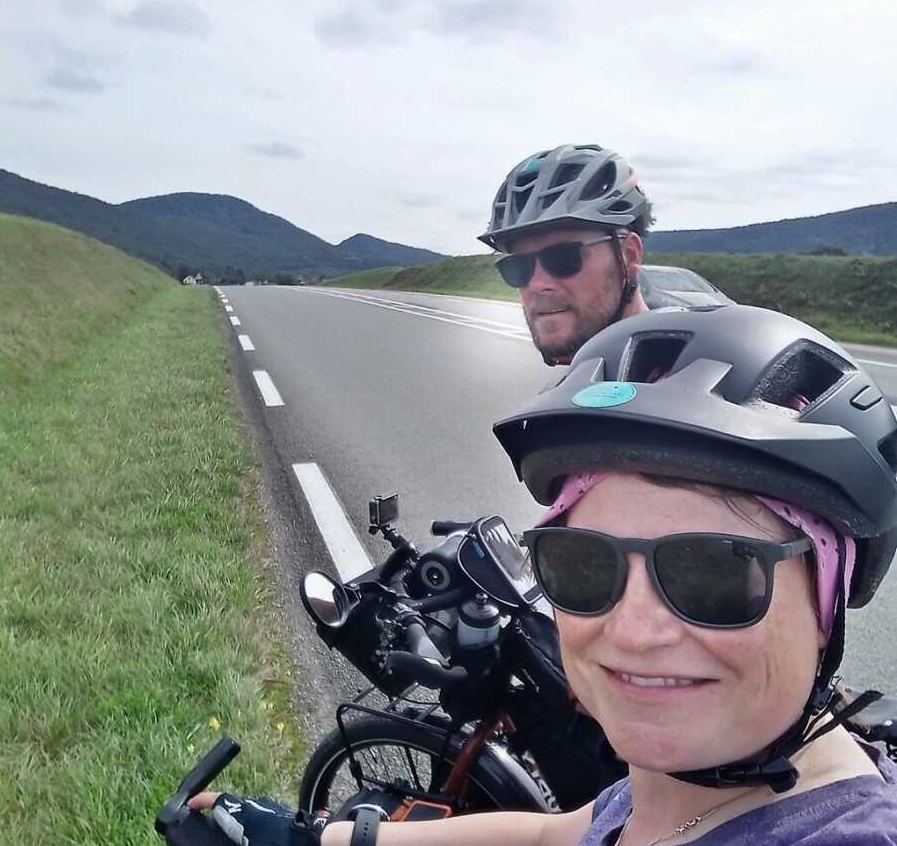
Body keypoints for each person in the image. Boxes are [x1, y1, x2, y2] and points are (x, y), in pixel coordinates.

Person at [188, 305, 897, 844]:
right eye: (584, 563)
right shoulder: (679, 788)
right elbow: (557, 832)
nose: (634, 631)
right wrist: (322, 837)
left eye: (714, 572)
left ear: (829, 600)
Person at [479, 143, 652, 366]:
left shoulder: (687, 372)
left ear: (629, 255)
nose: (537, 284)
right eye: (518, 266)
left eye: (563, 258)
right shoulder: (576, 388)